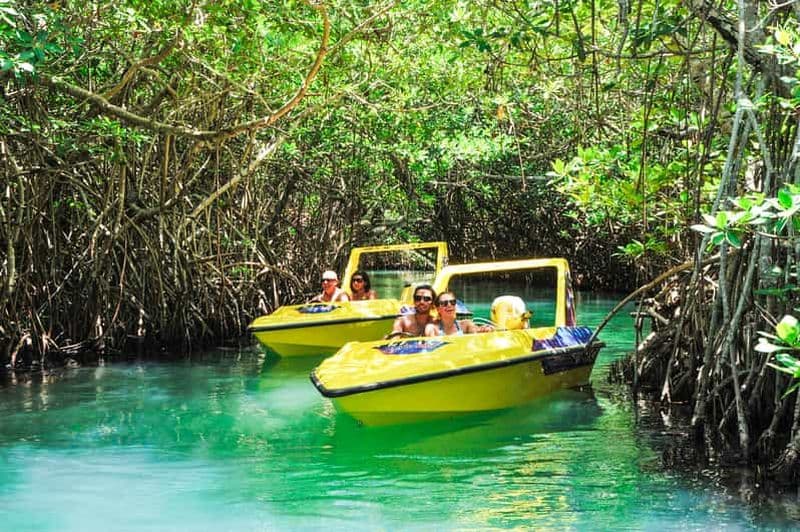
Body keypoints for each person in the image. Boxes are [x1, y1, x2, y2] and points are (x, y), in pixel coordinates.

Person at [425, 291, 493, 336]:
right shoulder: (432, 328)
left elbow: (476, 331)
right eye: (444, 303)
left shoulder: (466, 324)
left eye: (452, 302)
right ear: (438, 309)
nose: (449, 305)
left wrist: (484, 330)